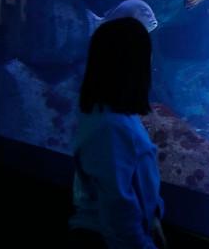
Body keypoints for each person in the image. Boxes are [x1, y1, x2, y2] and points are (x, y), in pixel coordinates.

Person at [68, 18, 166, 249]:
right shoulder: (110, 128)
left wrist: (151, 219)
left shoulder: (111, 114)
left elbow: (132, 183)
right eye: (146, 53)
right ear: (130, 64)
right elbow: (118, 207)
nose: (150, 61)